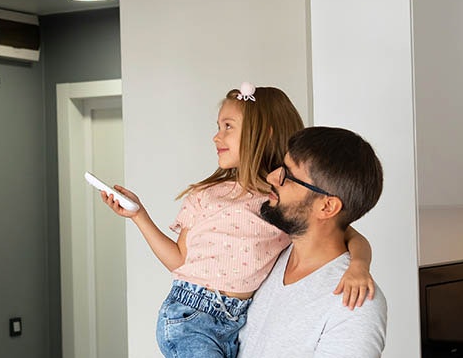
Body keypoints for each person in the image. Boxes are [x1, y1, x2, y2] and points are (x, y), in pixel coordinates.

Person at [100, 83, 375, 358]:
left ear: (262, 134)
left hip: (231, 323)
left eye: (228, 126)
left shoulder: (278, 208)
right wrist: (139, 216)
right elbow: (181, 260)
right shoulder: (211, 196)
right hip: (190, 316)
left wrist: (359, 266)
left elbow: (346, 231)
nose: (216, 137)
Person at [238, 126, 388, 358]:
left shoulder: (355, 304)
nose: (271, 178)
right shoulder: (273, 251)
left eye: (287, 176)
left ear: (327, 206)